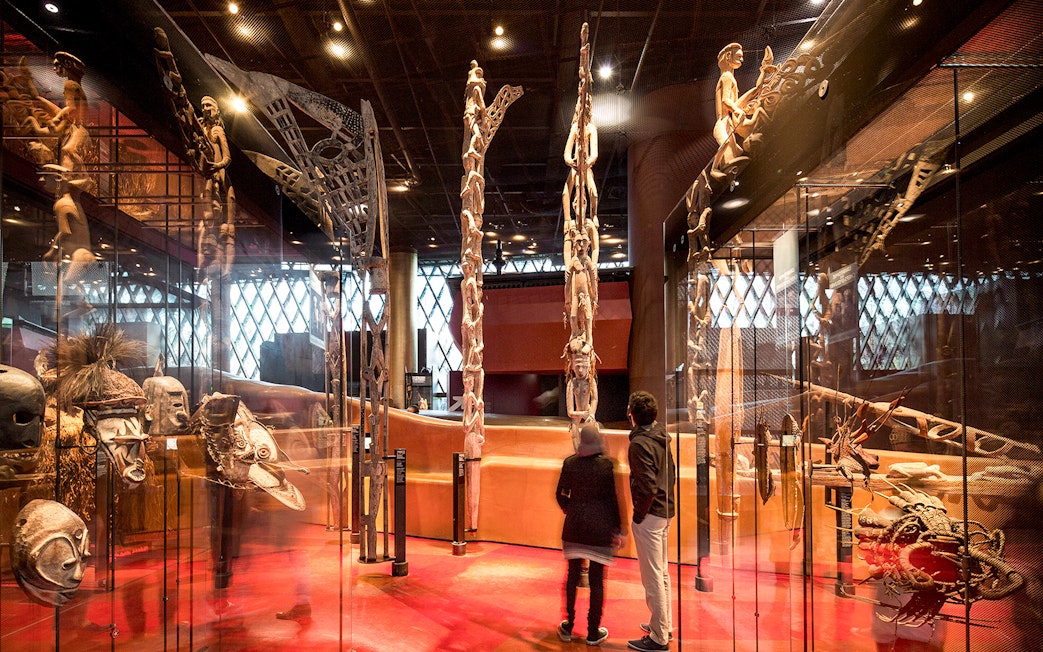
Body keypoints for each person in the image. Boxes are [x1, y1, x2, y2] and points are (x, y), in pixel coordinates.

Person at [555, 422, 622, 647]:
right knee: (596, 581)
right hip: (599, 529)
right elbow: (612, 500)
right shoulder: (606, 466)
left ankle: (568, 624)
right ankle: (593, 631)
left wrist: (569, 507)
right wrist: (617, 529)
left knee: (572, 576)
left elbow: (560, 494)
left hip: (574, 526)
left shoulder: (570, 463)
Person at [626, 391, 675, 651]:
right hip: (664, 511)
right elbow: (670, 474)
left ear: (632, 414)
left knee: (653, 575)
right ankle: (663, 624)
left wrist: (638, 515)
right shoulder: (662, 436)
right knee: (662, 572)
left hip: (651, 515)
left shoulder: (639, 444)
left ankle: (658, 636)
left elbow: (646, 485)